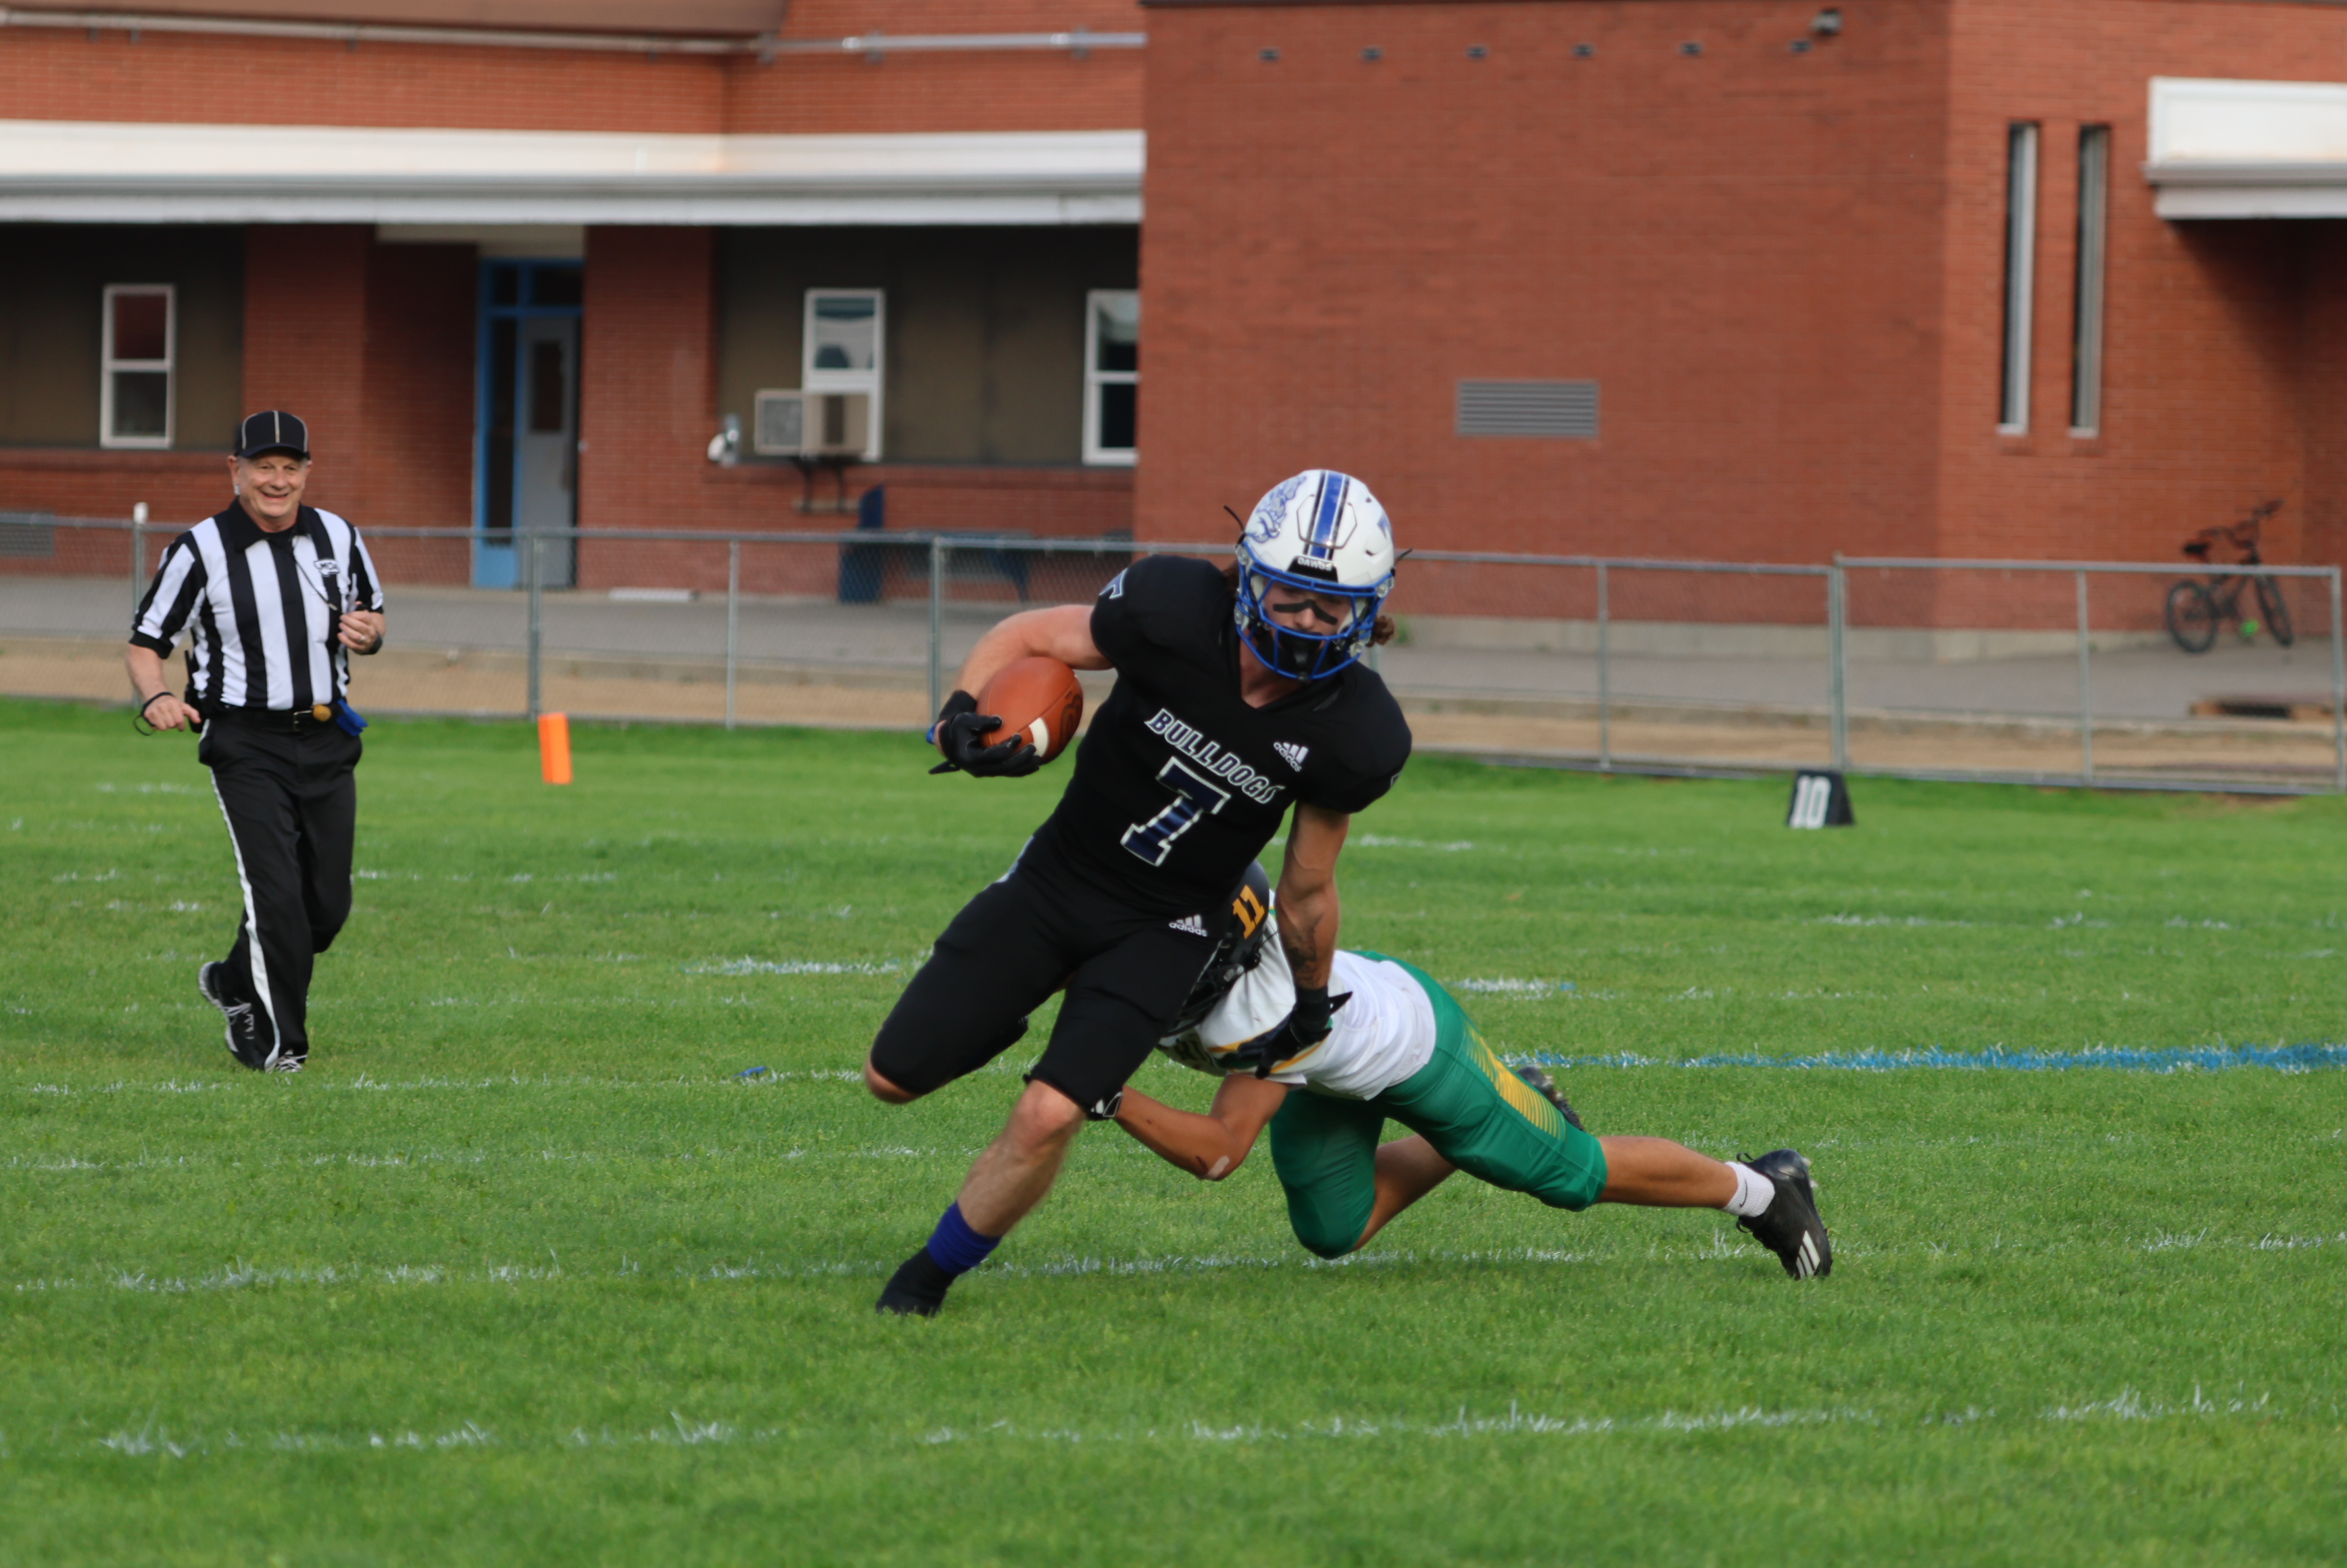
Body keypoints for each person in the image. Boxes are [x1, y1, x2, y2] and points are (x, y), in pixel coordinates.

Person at [865, 469, 1413, 1316]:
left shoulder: (1355, 729)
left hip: (1170, 926)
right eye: (1290, 597)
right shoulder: (1170, 608)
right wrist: (958, 714)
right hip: (1058, 876)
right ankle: (1009, 1009)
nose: (1306, 621)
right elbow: (1028, 633)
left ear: (1368, 608)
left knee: (1051, 1114)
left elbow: (1307, 889)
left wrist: (1308, 1003)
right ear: (1249, 576)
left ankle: (925, 1279)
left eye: (1331, 607)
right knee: (890, 1079)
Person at [1113, 864, 1833, 1279]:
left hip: (1415, 1048)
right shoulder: (1191, 960)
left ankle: (1765, 1191)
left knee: (1572, 1175)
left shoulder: (1263, 1013)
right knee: (1333, 1229)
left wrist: (1099, 1091)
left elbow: (1218, 1151)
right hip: (1327, 1070)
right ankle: (1519, 1099)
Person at [125, 410, 385, 1073]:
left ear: (307, 472)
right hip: (245, 743)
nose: (277, 480)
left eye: (290, 467)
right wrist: (156, 696)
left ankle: (233, 980)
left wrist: (370, 633)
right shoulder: (200, 549)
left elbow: (373, 615)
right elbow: (146, 643)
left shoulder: (338, 535)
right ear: (235, 471)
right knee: (276, 899)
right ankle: (280, 1045)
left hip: (327, 736)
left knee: (325, 907)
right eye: (263, 466)